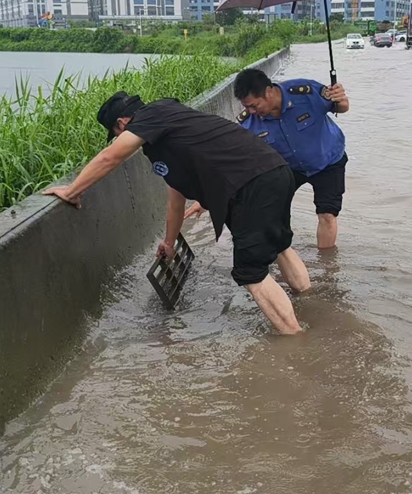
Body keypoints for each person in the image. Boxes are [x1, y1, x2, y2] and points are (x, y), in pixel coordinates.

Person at [43, 91, 311, 335]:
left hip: (250, 186)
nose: (120, 139)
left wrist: (72, 191)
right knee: (279, 245)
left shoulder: (149, 118)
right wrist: (169, 242)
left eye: (117, 134)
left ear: (122, 124)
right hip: (275, 172)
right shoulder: (170, 123)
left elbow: (109, 157)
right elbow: (176, 199)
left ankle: (296, 340)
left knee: (251, 273)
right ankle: (309, 300)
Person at [185, 69, 350, 249]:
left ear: (269, 92)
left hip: (328, 161)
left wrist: (341, 99)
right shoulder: (248, 123)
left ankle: (325, 263)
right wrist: (209, 198)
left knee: (327, 215)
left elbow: (341, 107)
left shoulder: (306, 92)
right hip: (287, 169)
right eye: (246, 107)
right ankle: (285, 256)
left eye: (254, 105)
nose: (251, 111)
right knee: (270, 214)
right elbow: (237, 165)